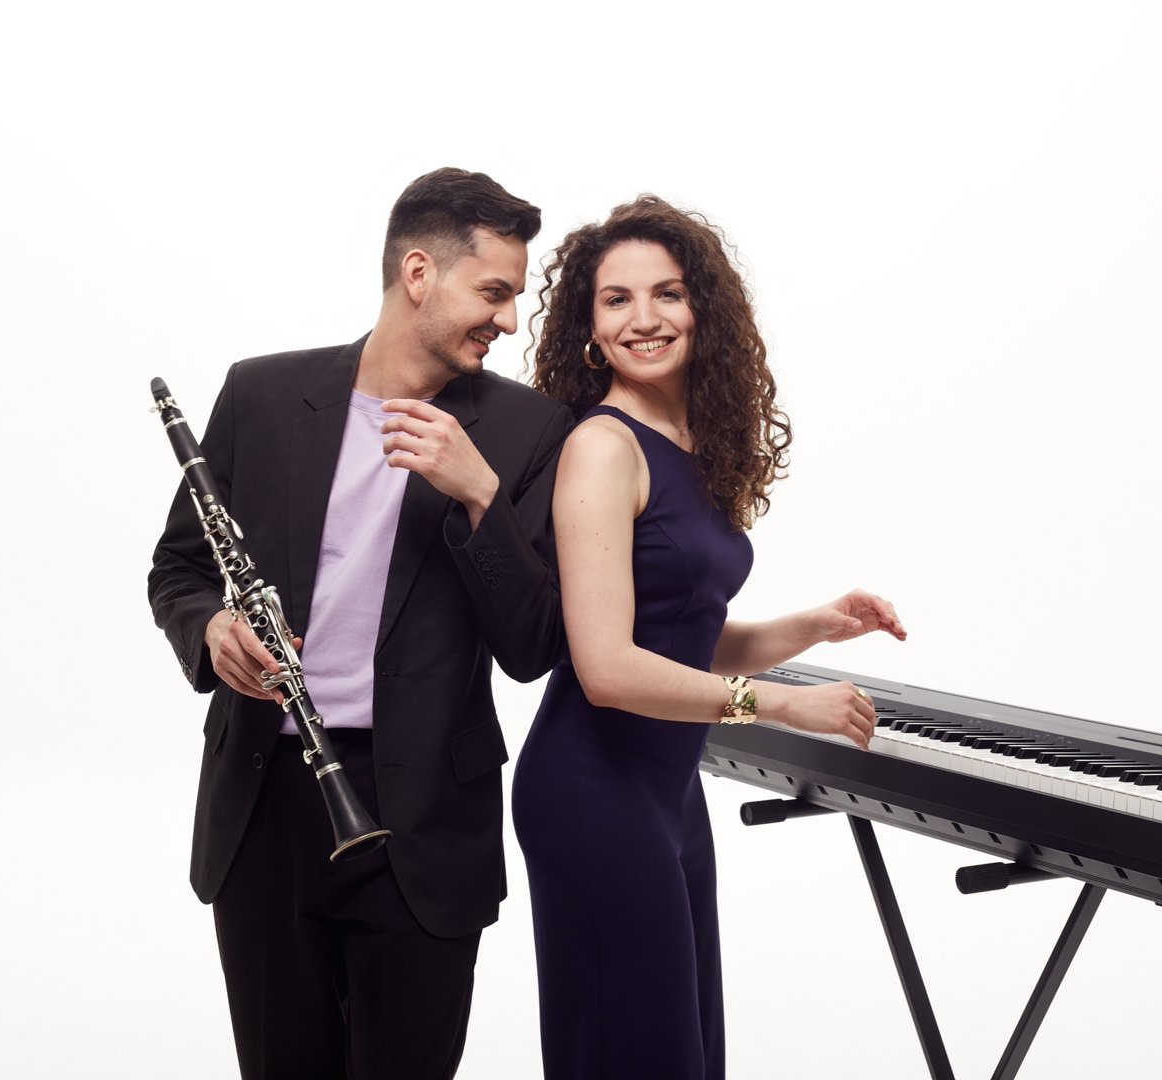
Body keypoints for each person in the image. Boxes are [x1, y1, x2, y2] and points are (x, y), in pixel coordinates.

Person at [147, 167, 573, 1080]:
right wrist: (211, 628)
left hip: (423, 816)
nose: (508, 320)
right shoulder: (261, 394)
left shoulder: (529, 430)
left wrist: (479, 497)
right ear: (419, 273)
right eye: (492, 291)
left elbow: (532, 646)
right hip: (265, 801)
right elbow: (178, 568)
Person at [512, 195, 907, 1079]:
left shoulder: (688, 442)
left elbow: (683, 636)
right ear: (589, 327)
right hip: (592, 793)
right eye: (616, 299)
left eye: (667, 293)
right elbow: (607, 668)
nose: (644, 318)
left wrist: (813, 625)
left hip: (666, 793)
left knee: (681, 1055)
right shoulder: (603, 447)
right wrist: (783, 707)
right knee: (636, 1058)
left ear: (703, 310)